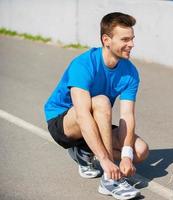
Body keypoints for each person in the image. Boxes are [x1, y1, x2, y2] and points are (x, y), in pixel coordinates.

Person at [44, 12, 149, 200]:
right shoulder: (83, 64)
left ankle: (84, 151)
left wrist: (126, 155)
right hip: (64, 121)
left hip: (97, 117)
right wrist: (105, 161)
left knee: (139, 151)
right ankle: (109, 180)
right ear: (106, 40)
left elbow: (127, 116)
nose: (131, 44)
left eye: (132, 39)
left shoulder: (130, 71)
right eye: (125, 39)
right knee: (101, 101)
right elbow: (83, 114)